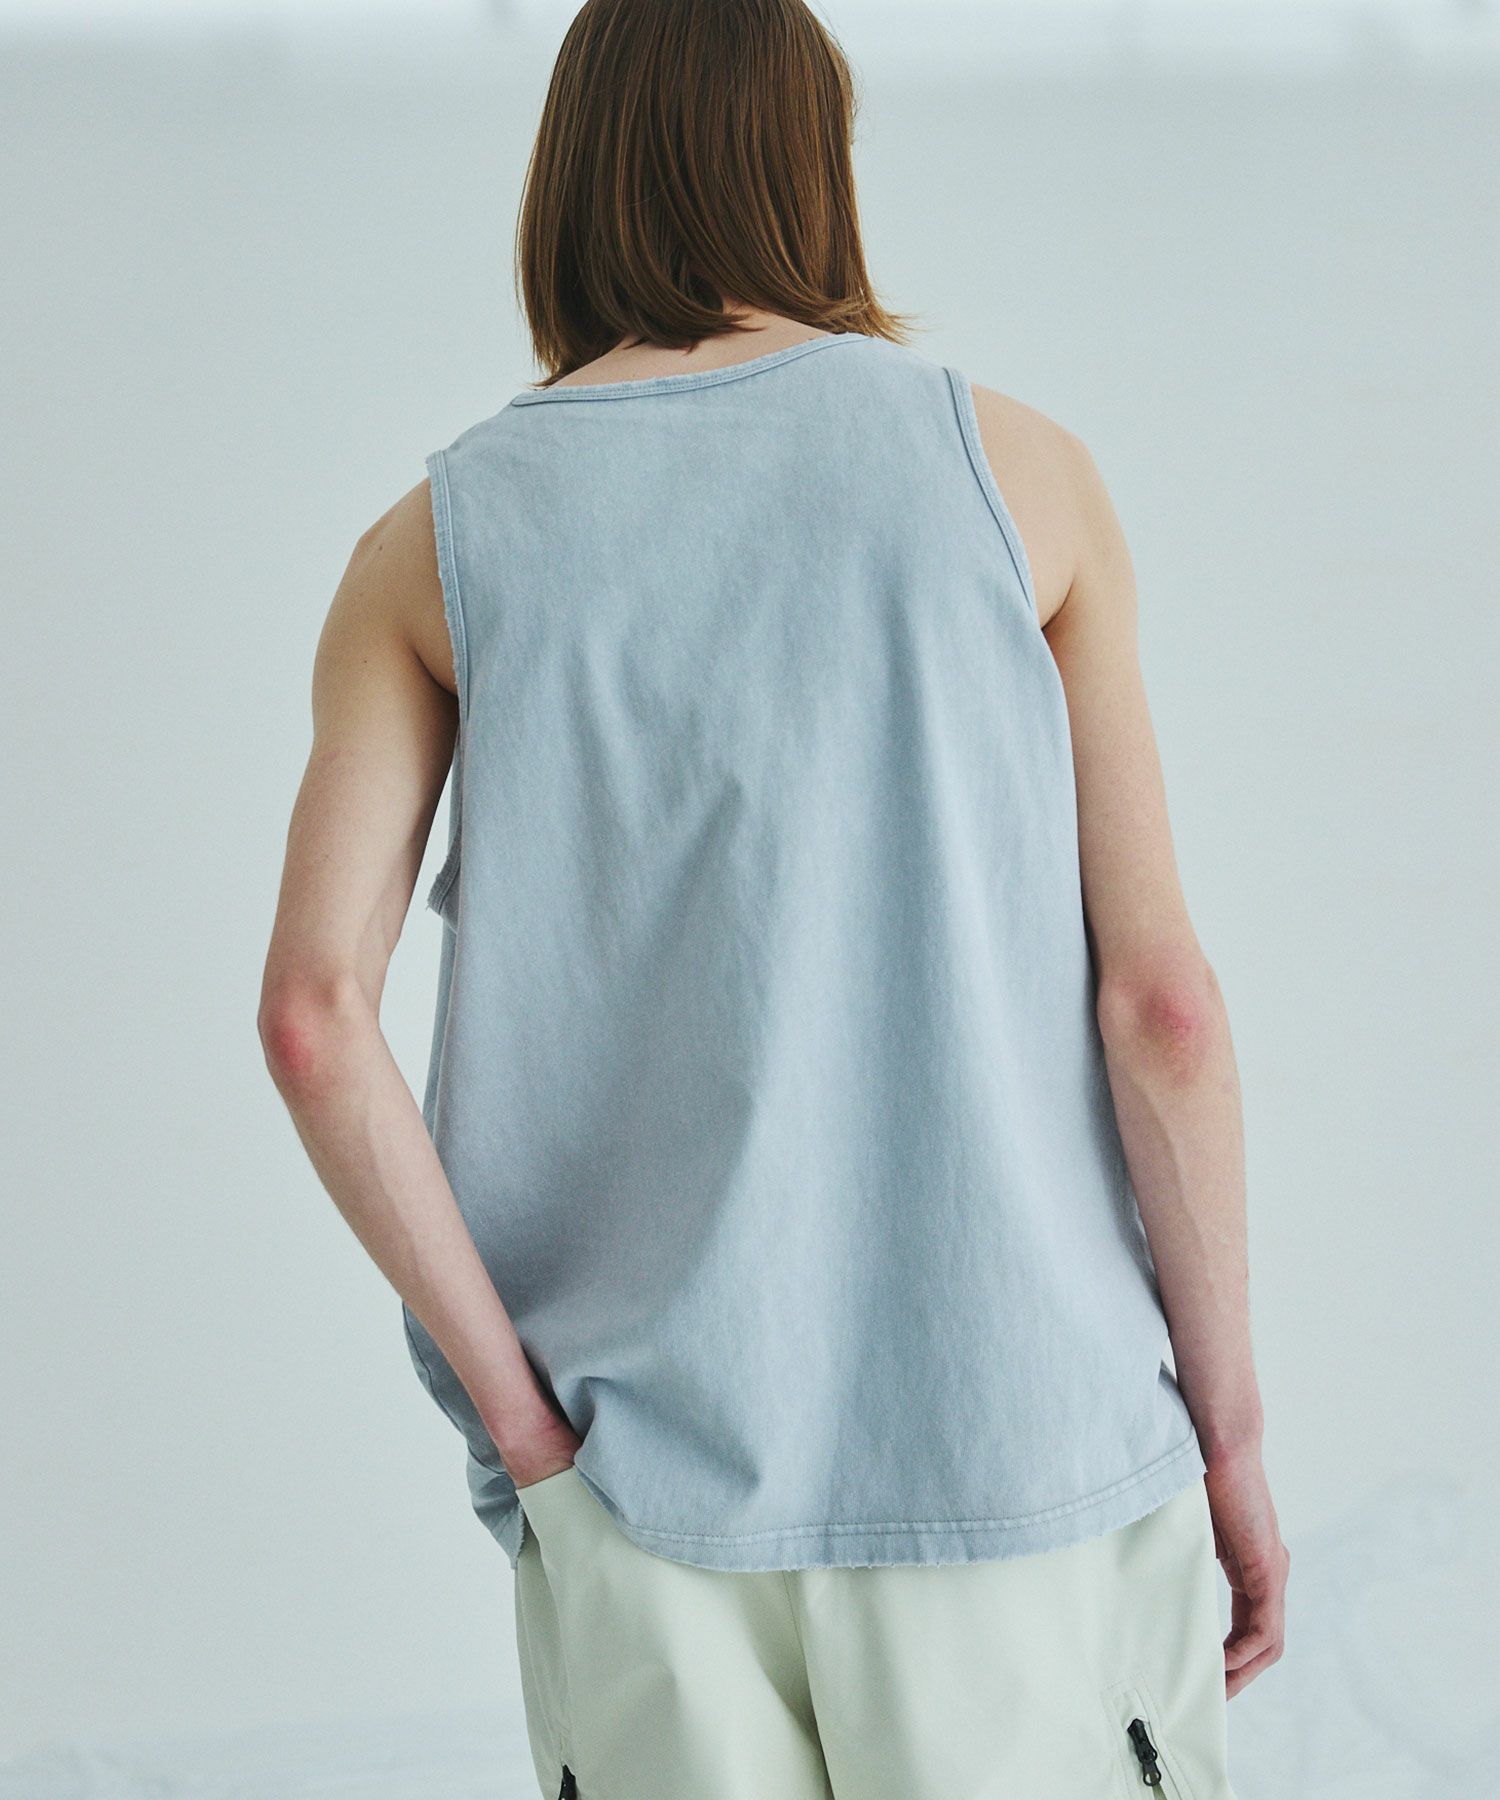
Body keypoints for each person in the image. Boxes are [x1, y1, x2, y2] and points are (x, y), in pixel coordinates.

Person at [258, 1, 1289, 1794]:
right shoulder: (1020, 477)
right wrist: (1236, 1439)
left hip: (646, 1497)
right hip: (1026, 1465)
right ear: (815, 165)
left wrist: (527, 1435)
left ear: (573, 176)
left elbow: (312, 1019)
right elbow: (1165, 1011)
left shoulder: (432, 545)